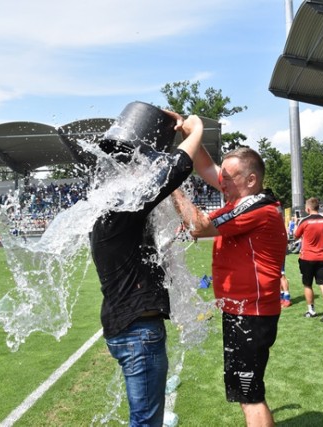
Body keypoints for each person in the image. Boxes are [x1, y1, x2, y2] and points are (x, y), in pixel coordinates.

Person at [90, 103, 204, 426]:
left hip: (127, 328)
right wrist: (195, 131)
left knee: (144, 418)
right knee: (145, 422)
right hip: (139, 333)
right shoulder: (122, 208)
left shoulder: (105, 213)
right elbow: (176, 169)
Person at [171, 146, 287, 427]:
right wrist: (192, 134)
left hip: (251, 314)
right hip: (242, 312)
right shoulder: (239, 203)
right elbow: (208, 168)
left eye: (229, 177)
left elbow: (198, 226)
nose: (221, 181)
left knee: (251, 397)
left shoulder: (256, 207)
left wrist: (172, 183)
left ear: (250, 180)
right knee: (245, 393)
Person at [295, 197, 323, 322]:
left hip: (307, 257)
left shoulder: (304, 221)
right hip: (322, 257)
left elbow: (296, 235)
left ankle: (311, 310)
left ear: (307, 208)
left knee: (307, 284)